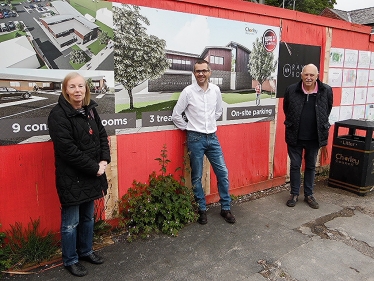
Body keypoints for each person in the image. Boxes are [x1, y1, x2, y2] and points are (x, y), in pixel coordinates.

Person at [48, 72, 111, 277]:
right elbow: (68, 151)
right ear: (65, 89)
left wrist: (104, 159)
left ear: (86, 88)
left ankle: (86, 251)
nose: (78, 90)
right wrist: (95, 167)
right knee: (70, 223)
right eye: (73, 86)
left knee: (87, 219)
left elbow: (101, 135)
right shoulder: (58, 115)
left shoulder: (90, 110)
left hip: (92, 173)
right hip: (72, 177)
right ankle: (71, 259)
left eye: (81, 86)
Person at [172, 59, 235, 224]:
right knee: (197, 176)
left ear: (209, 72)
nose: (201, 74)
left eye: (204, 71)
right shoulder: (188, 92)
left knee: (223, 173)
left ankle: (226, 208)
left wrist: (209, 124)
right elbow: (176, 115)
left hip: (213, 137)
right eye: (198, 71)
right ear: (194, 73)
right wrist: (190, 128)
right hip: (195, 138)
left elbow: (218, 111)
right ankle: (201, 209)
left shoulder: (215, 90)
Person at [283, 64, 333, 209]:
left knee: (311, 166)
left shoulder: (326, 91)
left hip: (315, 136)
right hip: (295, 135)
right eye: (306, 75)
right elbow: (287, 108)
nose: (309, 78)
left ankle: (309, 194)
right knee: (295, 165)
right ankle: (294, 194)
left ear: (317, 76)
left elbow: (327, 109)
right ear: (301, 75)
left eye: (312, 75)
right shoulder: (291, 90)